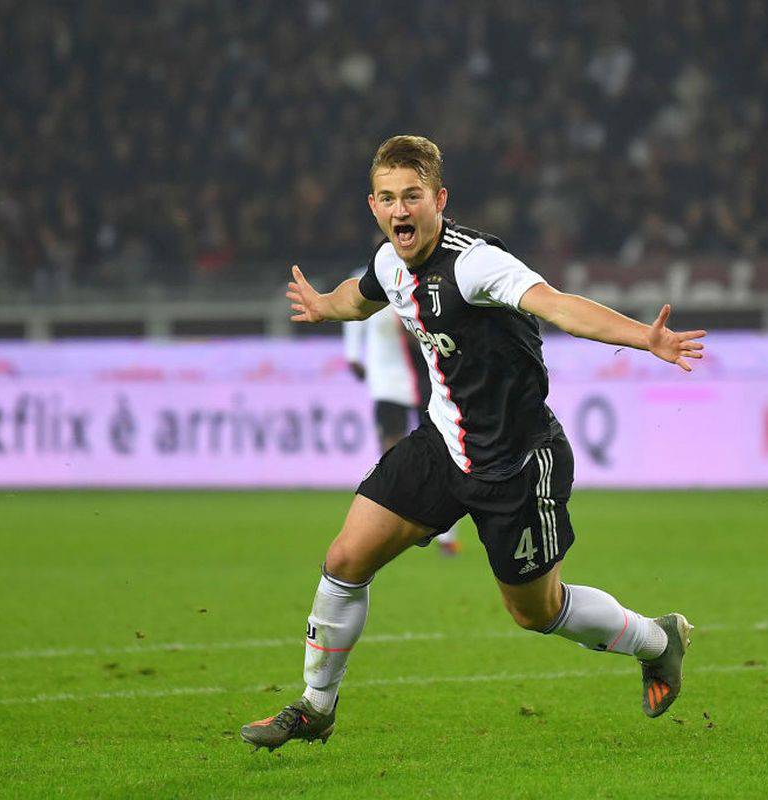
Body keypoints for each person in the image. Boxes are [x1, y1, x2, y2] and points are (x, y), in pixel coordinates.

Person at [241, 136, 706, 751]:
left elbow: (558, 305)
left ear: (439, 200)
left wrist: (643, 339)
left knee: (535, 612)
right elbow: (361, 296)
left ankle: (656, 639)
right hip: (443, 444)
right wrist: (325, 306)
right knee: (345, 560)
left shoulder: (475, 264)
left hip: (516, 462)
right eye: (387, 198)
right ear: (373, 205)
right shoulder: (389, 262)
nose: (400, 210)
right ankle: (315, 708)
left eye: (412, 197)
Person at [343, 292, 459, 555]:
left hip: (425, 378)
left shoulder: (423, 279)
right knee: (390, 450)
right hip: (387, 381)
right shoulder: (368, 278)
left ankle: (446, 531)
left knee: (442, 449)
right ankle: (390, 520)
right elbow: (352, 314)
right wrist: (353, 355)